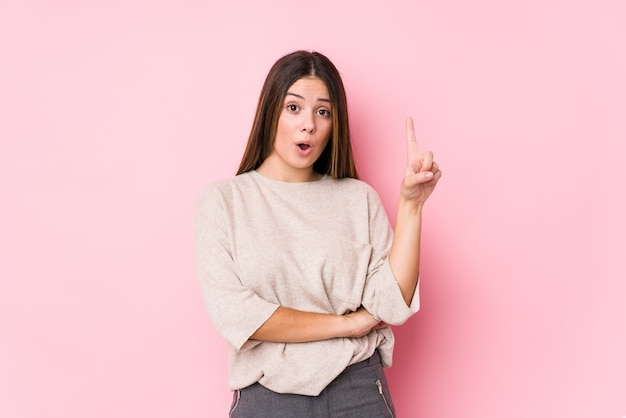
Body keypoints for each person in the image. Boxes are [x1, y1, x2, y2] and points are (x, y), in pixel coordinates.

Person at [195, 50, 441, 417]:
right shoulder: (224, 201)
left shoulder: (358, 198)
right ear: (270, 112)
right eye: (294, 107)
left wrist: (411, 206)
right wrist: (345, 324)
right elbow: (236, 315)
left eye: (322, 111)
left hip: (356, 389)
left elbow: (391, 304)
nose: (308, 123)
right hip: (267, 397)